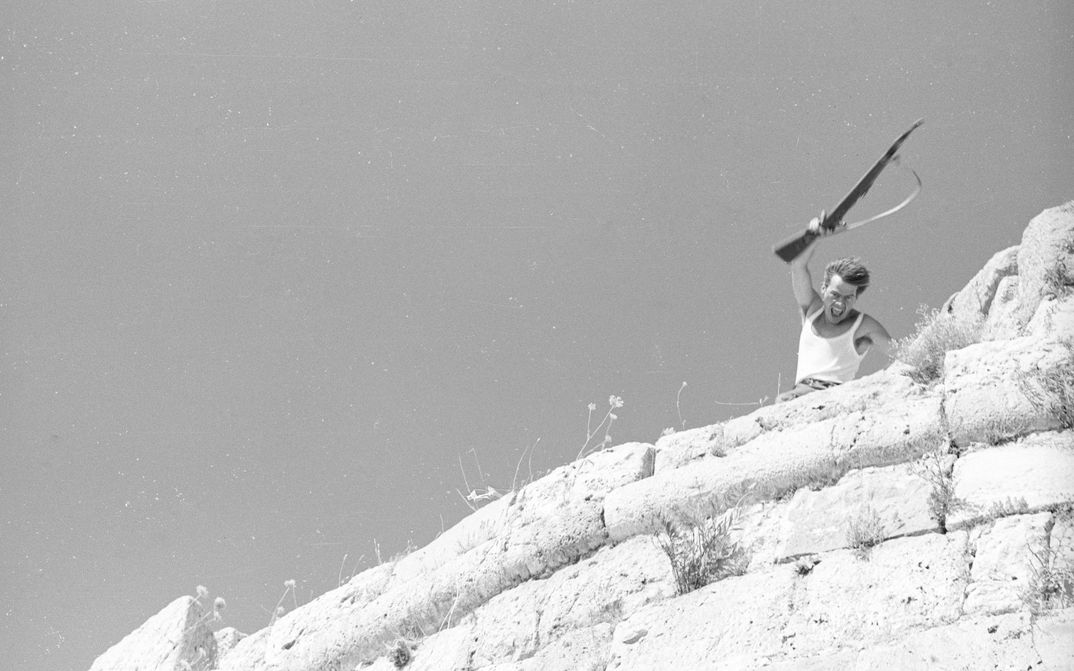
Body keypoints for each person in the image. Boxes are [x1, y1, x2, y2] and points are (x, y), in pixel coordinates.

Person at [775, 213, 892, 403]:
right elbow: (798, 266)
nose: (840, 304)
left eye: (848, 298)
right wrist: (815, 234)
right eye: (835, 295)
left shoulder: (863, 326)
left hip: (833, 397)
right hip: (799, 396)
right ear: (823, 289)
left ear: (856, 298)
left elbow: (905, 354)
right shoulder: (812, 309)